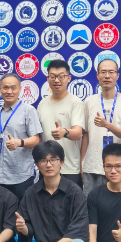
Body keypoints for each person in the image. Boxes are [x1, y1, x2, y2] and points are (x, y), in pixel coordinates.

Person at [0, 73, 42, 242]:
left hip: (21, 175)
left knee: (22, 220)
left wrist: (19, 142)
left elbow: (36, 139)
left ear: (20, 90)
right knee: (1, 219)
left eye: (13, 87)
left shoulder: (28, 110)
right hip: (0, 176)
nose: (9, 91)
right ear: (0, 90)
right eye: (5, 87)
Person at [81, 58, 121, 197]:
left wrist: (107, 124)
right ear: (97, 75)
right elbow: (85, 134)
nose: (107, 76)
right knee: (91, 206)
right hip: (92, 167)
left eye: (111, 72)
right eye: (103, 72)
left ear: (117, 75)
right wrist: (82, 163)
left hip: (116, 168)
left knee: (116, 206)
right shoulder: (89, 101)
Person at [37, 60, 86, 188]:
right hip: (46, 167)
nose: (57, 80)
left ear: (68, 78)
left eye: (61, 76)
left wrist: (65, 132)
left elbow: (78, 133)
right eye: (53, 76)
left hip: (69, 168)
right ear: (47, 79)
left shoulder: (75, 103)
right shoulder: (42, 104)